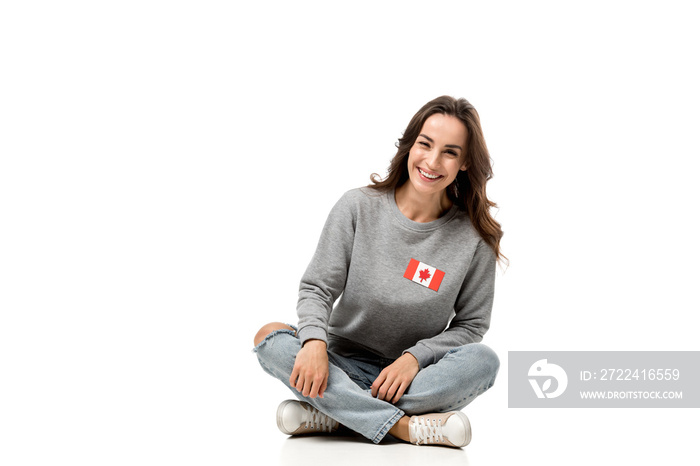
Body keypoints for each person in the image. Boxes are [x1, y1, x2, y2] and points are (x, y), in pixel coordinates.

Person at [253, 95, 504, 448]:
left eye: (449, 152)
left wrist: (414, 359)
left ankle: (334, 413)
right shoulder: (357, 207)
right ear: (410, 145)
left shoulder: (473, 237)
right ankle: (401, 426)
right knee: (270, 337)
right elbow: (318, 288)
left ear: (464, 163)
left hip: (413, 377)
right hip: (338, 362)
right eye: (425, 144)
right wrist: (313, 342)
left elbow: (472, 325)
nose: (432, 161)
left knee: (484, 362)